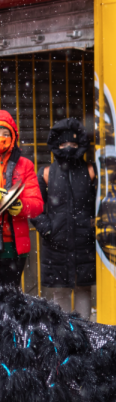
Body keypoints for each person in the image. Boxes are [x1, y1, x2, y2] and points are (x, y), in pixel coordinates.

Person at [31, 118, 96, 317]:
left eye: (73, 144)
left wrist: (92, 225)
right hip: (56, 245)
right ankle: (65, 337)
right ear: (56, 145)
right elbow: (34, 207)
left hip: (84, 243)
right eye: (64, 144)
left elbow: (101, 203)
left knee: (83, 290)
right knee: (60, 292)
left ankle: (85, 337)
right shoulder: (46, 173)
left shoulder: (91, 171)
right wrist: (48, 229)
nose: (69, 148)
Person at [0, 110, 43, 287]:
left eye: (5, 133)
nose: (1, 138)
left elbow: (37, 204)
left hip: (13, 246)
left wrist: (20, 205)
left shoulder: (25, 165)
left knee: (10, 301)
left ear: (13, 136)